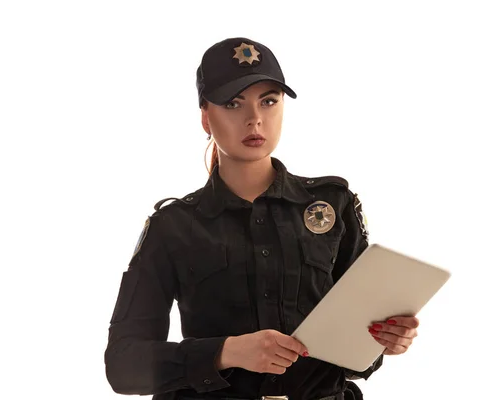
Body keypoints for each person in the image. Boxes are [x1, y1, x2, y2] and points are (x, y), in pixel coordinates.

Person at [104, 37, 420, 400]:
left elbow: (353, 356)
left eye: (268, 101)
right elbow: (123, 366)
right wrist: (227, 352)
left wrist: (386, 341)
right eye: (233, 103)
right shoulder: (173, 226)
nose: (254, 118)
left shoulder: (333, 207)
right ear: (206, 117)